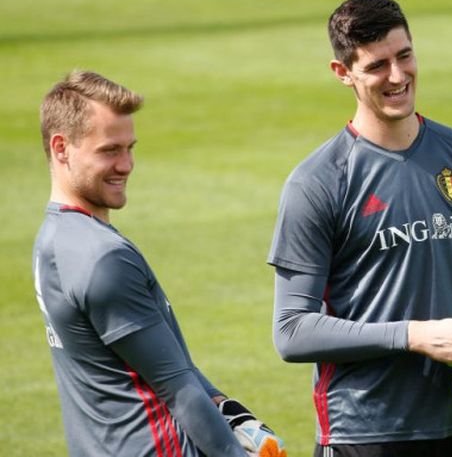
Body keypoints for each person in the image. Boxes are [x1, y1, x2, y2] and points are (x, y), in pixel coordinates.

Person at [267, 0, 452, 457]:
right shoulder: (318, 182)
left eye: (405, 56)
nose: (398, 76)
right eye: (377, 65)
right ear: (342, 72)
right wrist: (414, 336)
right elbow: (291, 330)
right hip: (364, 433)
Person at [33, 70, 285, 457]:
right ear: (62, 147)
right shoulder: (104, 258)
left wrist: (229, 410)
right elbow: (176, 385)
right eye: (109, 150)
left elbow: (158, 362)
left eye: (130, 148)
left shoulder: (53, 239)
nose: (126, 164)